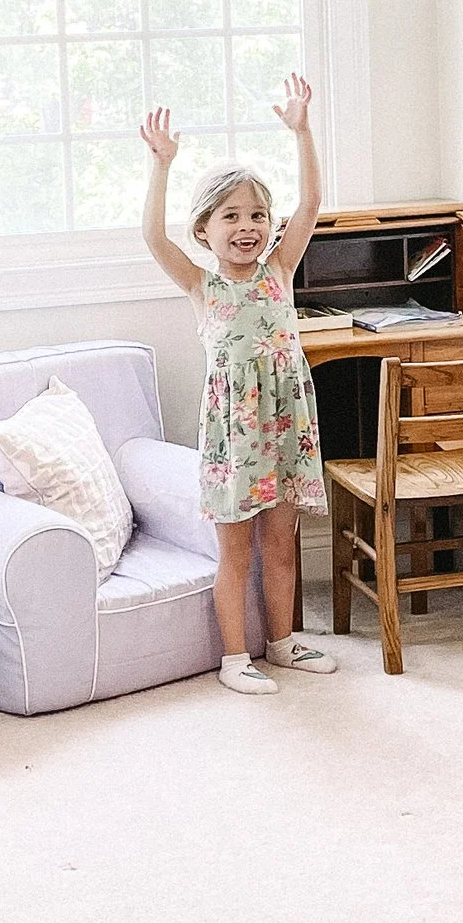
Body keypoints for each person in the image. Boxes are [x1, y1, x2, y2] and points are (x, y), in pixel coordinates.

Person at [140, 75, 336, 693]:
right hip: (235, 437)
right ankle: (234, 659)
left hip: (286, 428)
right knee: (238, 553)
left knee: (282, 546)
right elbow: (151, 236)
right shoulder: (204, 287)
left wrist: (302, 131)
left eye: (256, 215)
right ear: (205, 229)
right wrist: (162, 166)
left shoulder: (279, 268)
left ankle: (280, 643)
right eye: (231, 217)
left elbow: (309, 206)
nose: (247, 226)